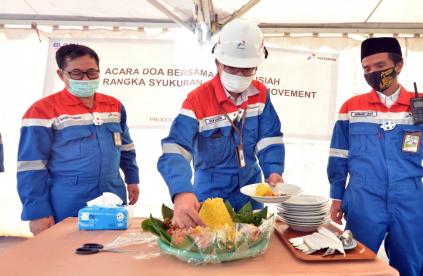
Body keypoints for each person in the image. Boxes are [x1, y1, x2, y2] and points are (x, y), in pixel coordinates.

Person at [327, 37, 423, 276]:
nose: (373, 73)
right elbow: (338, 157)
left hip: (410, 202)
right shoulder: (351, 108)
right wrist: (336, 197)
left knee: (410, 268)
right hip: (363, 201)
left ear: (399, 66)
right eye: (367, 68)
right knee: (355, 267)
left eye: (379, 66)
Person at [157, 19, 285, 228]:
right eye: (232, 68)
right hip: (210, 197)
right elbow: (176, 149)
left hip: (251, 196)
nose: (239, 75)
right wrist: (181, 192)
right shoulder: (197, 100)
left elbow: (269, 138)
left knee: (252, 249)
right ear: (217, 63)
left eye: (247, 69)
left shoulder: (261, 95)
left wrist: (274, 171)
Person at [17, 44, 140, 235]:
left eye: (92, 73)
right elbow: (31, 167)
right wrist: (37, 212)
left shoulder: (114, 105)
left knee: (111, 256)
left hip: (112, 194)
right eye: (76, 73)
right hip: (68, 200)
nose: (85, 79)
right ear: (61, 74)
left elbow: (126, 146)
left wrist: (132, 178)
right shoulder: (42, 111)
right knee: (65, 258)